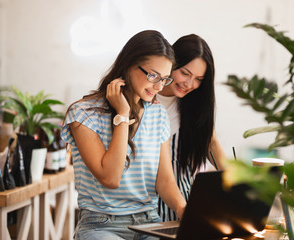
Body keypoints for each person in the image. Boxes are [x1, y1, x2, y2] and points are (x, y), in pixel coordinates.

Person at [61, 30, 186, 240]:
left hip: (149, 223)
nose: (158, 86)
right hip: (100, 225)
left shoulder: (157, 115)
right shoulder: (83, 114)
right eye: (153, 75)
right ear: (129, 64)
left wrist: (185, 210)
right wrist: (123, 114)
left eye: (164, 79)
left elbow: (164, 181)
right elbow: (110, 177)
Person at [156, 34, 227, 221]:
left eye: (198, 79)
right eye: (185, 73)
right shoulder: (146, 98)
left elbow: (211, 143)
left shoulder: (194, 104)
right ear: (171, 63)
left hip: (185, 209)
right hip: (148, 210)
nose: (189, 84)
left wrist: (237, 184)